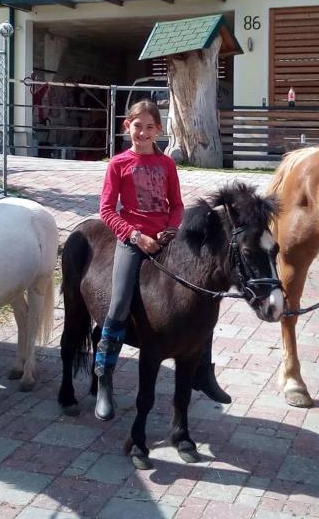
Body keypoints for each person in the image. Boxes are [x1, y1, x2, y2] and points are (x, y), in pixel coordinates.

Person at [95, 99, 230, 420]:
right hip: (133, 240)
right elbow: (106, 210)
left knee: (200, 295)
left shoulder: (167, 165)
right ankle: (104, 379)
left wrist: (172, 228)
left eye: (150, 127)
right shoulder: (118, 163)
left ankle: (204, 372)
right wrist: (133, 235)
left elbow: (177, 205)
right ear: (127, 127)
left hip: (167, 240)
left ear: (159, 130)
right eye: (137, 126)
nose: (142, 132)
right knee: (117, 306)